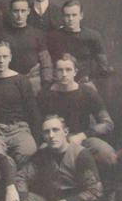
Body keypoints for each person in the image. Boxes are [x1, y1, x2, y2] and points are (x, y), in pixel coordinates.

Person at [17, 115, 104, 201]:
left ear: (65, 132)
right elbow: (21, 177)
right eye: (46, 132)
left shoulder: (81, 155)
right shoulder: (42, 154)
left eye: (55, 130)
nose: (51, 135)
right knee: (18, 198)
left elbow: (95, 191)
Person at [37, 53, 117, 183]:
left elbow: (107, 123)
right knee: (39, 160)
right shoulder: (45, 94)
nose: (64, 74)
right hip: (53, 139)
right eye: (60, 70)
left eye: (68, 70)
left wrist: (82, 135)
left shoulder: (88, 92)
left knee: (108, 154)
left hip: (82, 138)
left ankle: (104, 193)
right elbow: (37, 123)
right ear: (54, 73)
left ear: (75, 72)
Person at [0, 39, 38, 167]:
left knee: (29, 152)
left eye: (4, 57)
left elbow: (32, 110)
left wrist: (37, 137)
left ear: (10, 58)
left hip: (19, 129)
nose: (1, 61)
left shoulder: (21, 80)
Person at [48, 0, 111, 84]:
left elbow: (103, 65)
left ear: (81, 16)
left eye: (74, 15)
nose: (70, 19)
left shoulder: (92, 36)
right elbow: (48, 63)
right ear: (62, 16)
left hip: (85, 81)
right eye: (67, 15)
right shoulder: (53, 36)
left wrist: (91, 78)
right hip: (60, 81)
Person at [2, 0, 52, 93]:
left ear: (28, 11)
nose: (19, 15)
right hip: (9, 82)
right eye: (16, 11)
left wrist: (46, 83)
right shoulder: (2, 35)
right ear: (10, 12)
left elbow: (46, 62)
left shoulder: (37, 34)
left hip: (33, 81)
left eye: (23, 11)